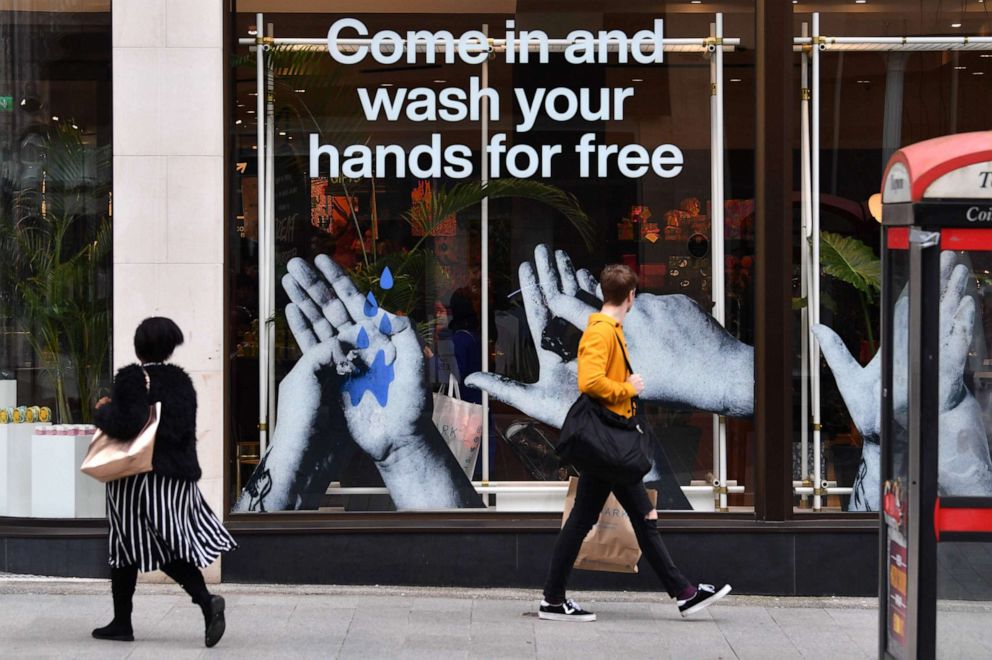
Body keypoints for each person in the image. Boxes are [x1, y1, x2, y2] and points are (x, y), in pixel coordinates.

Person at [538, 264, 731, 622]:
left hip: (613, 446)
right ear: (631, 296)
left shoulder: (610, 328)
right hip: (610, 446)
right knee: (621, 519)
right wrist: (630, 388)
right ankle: (553, 599)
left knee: (633, 518)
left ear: (602, 291)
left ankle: (684, 593)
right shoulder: (600, 332)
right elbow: (590, 382)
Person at [91, 317, 237, 647]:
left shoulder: (132, 377)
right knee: (138, 545)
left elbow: (126, 424)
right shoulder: (182, 381)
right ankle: (122, 622)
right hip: (177, 477)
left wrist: (102, 411)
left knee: (130, 544)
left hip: (138, 479)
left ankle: (204, 599)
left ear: (139, 346)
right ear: (170, 347)